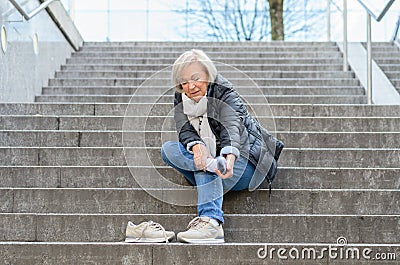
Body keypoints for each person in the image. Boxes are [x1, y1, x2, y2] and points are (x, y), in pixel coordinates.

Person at [160, 49, 284, 243]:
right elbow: (184, 129)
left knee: (208, 164)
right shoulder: (181, 98)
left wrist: (229, 155)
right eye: (184, 82)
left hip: (245, 163)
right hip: (214, 158)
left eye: (196, 78)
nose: (190, 86)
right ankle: (210, 169)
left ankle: (211, 223)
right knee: (169, 149)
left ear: (208, 75)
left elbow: (232, 127)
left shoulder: (225, 93)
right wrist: (197, 146)